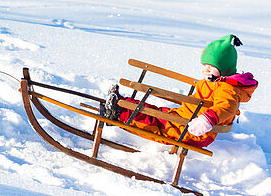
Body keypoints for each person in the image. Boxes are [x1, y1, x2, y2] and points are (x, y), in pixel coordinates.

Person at [102, 34, 257, 148]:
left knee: (156, 124)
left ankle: (118, 113)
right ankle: (121, 103)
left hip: (194, 130)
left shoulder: (227, 88)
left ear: (225, 69)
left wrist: (207, 120)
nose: (205, 70)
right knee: (155, 111)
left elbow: (226, 107)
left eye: (211, 67)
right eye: (204, 66)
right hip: (184, 117)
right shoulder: (215, 82)